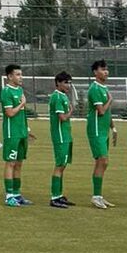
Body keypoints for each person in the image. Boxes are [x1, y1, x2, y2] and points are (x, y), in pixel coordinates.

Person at [0, 63, 35, 206]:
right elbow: (9, 113)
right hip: (11, 133)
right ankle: (9, 196)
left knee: (19, 163)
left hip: (21, 132)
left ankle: (17, 194)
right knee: (11, 162)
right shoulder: (6, 91)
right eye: (18, 74)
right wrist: (22, 104)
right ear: (9, 76)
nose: (21, 77)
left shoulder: (20, 90)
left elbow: (21, 114)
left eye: (21, 74)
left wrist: (27, 130)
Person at [86, 59, 117, 209]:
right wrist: (110, 100)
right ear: (95, 72)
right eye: (103, 69)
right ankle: (96, 196)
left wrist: (113, 127)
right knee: (102, 161)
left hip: (104, 130)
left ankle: (99, 196)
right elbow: (101, 111)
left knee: (104, 162)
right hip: (96, 130)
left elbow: (107, 114)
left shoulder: (103, 88)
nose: (106, 72)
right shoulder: (95, 89)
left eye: (107, 69)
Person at [48, 71, 75, 208]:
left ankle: (59, 195)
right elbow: (62, 118)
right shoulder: (57, 97)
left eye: (69, 82)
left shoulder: (63, 96)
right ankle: (54, 197)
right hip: (60, 136)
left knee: (63, 165)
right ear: (58, 83)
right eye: (65, 82)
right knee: (59, 165)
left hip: (65, 135)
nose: (68, 85)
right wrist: (71, 110)